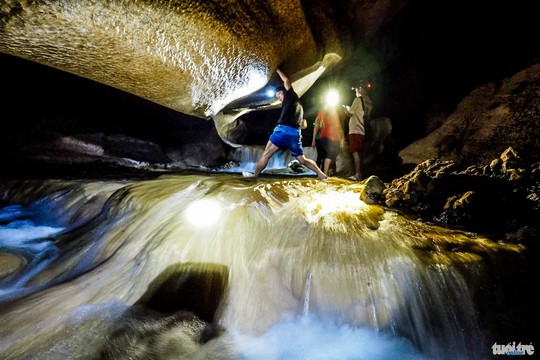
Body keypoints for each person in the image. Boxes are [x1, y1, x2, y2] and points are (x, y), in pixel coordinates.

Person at [242, 69, 327, 180]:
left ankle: (254, 175)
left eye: (278, 94)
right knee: (302, 160)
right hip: (295, 133)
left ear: (283, 92)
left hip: (283, 130)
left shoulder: (289, 95)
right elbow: (304, 125)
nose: (278, 97)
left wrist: (277, 69)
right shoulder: (298, 107)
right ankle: (322, 175)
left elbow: (286, 80)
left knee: (266, 154)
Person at [342, 80, 373, 181]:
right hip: (362, 130)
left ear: (360, 89)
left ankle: (357, 175)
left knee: (354, 152)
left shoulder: (358, 99)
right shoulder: (368, 102)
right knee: (359, 152)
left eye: (356, 90)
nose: (355, 92)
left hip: (355, 130)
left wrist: (345, 108)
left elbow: (350, 113)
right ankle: (360, 174)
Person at [311, 106, 343, 176]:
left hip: (335, 137)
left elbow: (338, 125)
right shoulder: (324, 110)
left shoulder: (336, 112)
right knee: (327, 155)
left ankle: (329, 173)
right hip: (325, 136)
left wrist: (341, 138)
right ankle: (324, 174)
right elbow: (316, 124)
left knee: (333, 155)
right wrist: (313, 140)